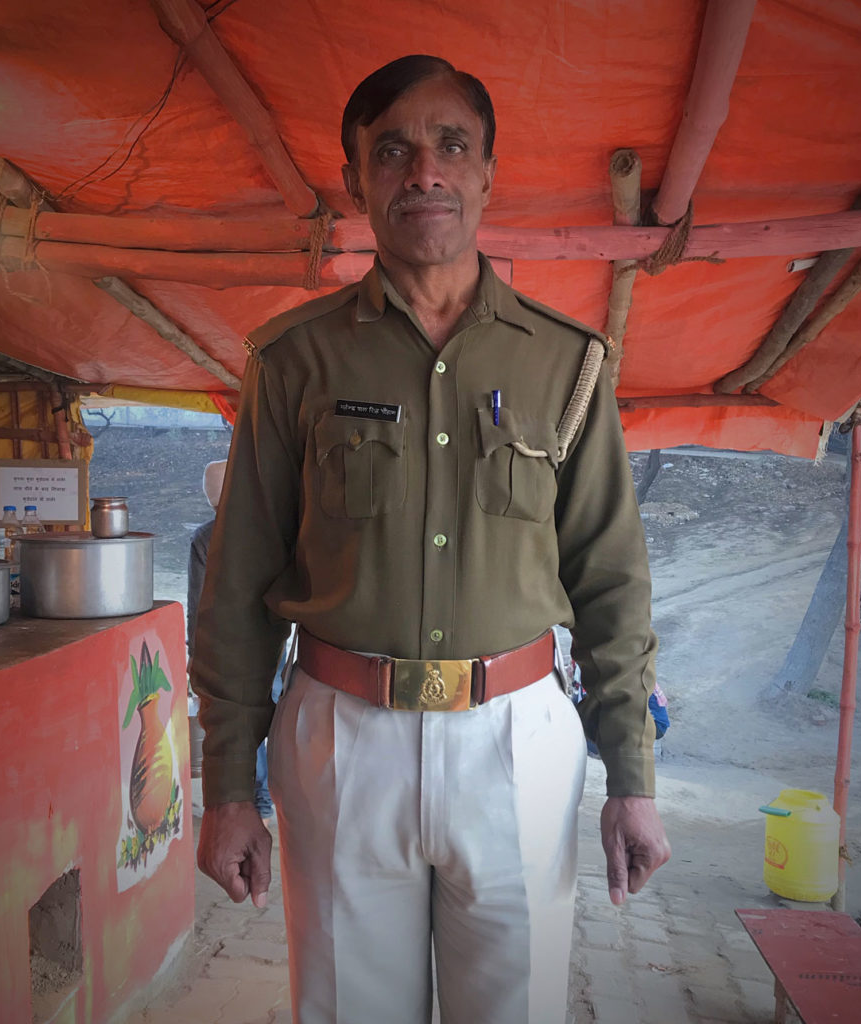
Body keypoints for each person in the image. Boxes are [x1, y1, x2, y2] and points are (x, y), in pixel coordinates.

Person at [193, 54, 670, 1023]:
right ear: (356, 180)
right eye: (394, 150)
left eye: (452, 145)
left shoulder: (566, 363)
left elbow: (612, 578)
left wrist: (633, 777)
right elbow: (238, 585)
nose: (425, 172)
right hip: (340, 739)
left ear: (488, 173)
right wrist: (226, 784)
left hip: (518, 739)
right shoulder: (295, 361)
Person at [186, 459, 274, 821]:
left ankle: (253, 796)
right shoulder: (269, 530)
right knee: (274, 710)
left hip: (228, 643)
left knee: (234, 715)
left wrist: (195, 652)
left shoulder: (206, 537)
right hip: (273, 638)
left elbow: (198, 602)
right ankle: (269, 795)